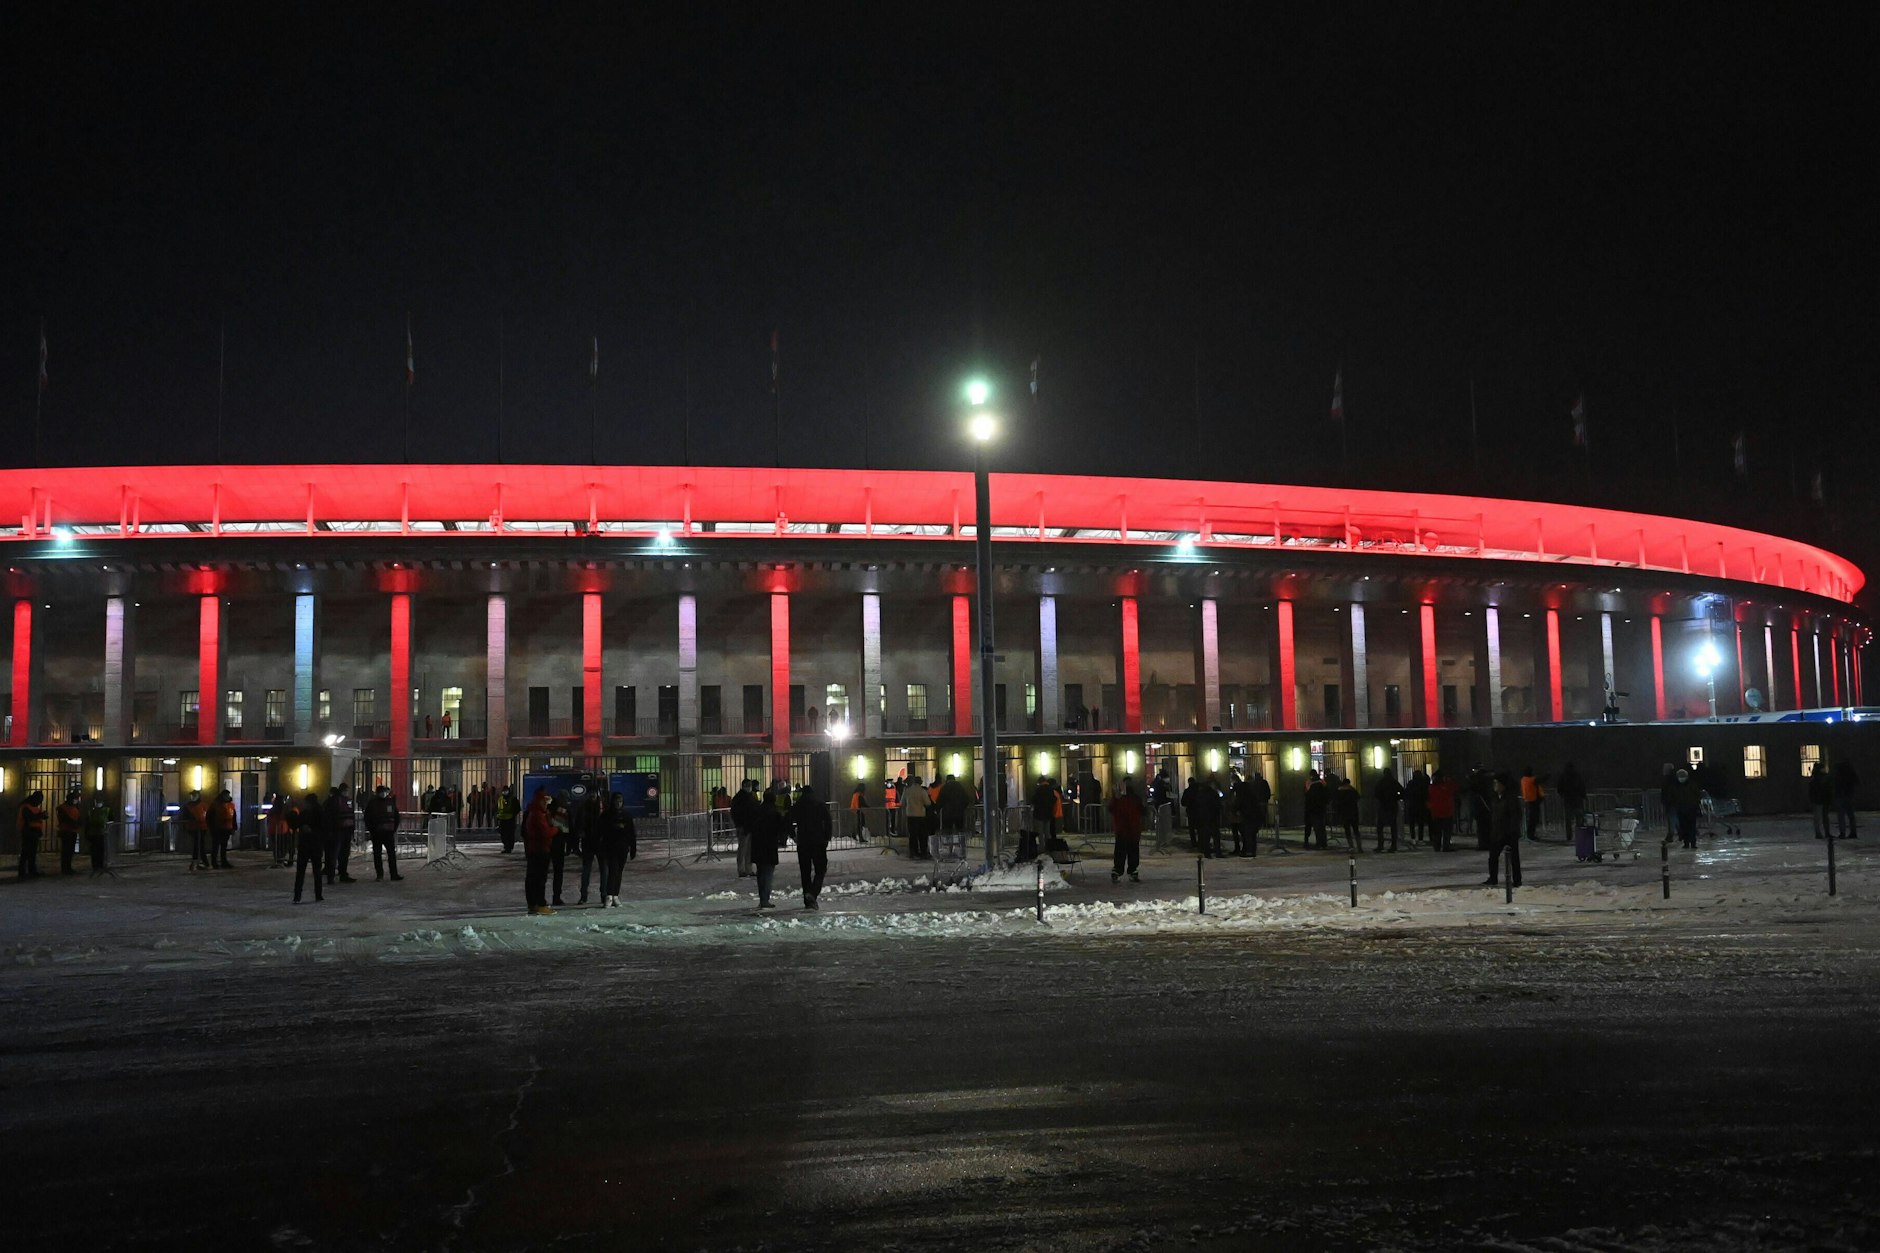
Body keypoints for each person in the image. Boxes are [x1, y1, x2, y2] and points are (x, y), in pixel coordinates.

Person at [790, 784, 831, 909]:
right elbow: (828, 821)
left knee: (805, 871)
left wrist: (793, 835)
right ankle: (813, 893)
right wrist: (827, 837)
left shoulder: (798, 805)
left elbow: (787, 820)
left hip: (803, 841)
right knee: (821, 869)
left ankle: (808, 901)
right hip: (818, 841)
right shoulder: (819, 804)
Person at [1483, 772, 1524, 888]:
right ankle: (1493, 878)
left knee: (1513, 858)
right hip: (1497, 832)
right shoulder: (1495, 798)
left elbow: (1515, 816)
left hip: (1509, 832)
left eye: (1497, 783)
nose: (1494, 785)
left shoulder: (1510, 798)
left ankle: (1517, 880)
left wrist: (1512, 830)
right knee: (1493, 857)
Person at [597, 791, 634, 908]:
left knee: (619, 872)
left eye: (620, 801)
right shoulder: (606, 815)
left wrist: (633, 847)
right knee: (613, 870)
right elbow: (600, 831)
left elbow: (631, 832)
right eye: (616, 800)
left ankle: (615, 895)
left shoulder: (626, 815)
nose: (618, 803)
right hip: (610, 847)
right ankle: (609, 895)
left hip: (622, 848)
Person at [522, 787, 555, 914]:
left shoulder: (536, 812)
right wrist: (556, 829)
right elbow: (545, 832)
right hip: (540, 850)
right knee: (539, 878)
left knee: (533, 877)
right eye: (545, 800)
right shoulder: (538, 814)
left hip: (535, 849)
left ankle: (533, 903)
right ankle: (539, 903)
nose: (547, 803)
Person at [749, 789, 782, 908]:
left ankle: (762, 898)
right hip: (770, 846)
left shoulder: (757, 811)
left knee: (760, 873)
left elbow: (751, 825)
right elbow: (780, 828)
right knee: (768, 874)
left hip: (758, 845)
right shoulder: (775, 812)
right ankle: (765, 899)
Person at [291, 790, 325, 903]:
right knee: (316, 871)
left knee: (302, 871)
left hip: (308, 844)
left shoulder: (310, 813)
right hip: (313, 844)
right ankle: (317, 895)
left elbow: (296, 824)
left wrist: (310, 830)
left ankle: (298, 895)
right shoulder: (317, 812)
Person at [1109, 779, 1145, 883]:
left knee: (1120, 852)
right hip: (1133, 831)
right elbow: (1143, 811)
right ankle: (1132, 871)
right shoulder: (1136, 799)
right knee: (1133, 852)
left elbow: (1111, 809)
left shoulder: (1118, 800)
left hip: (1121, 831)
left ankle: (1117, 871)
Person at [364, 784, 402, 881]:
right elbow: (367, 818)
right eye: (382, 792)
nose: (383, 793)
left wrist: (393, 829)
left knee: (391, 854)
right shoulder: (372, 803)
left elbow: (396, 816)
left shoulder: (390, 802)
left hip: (388, 833)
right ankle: (380, 875)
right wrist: (372, 830)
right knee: (377, 854)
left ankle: (394, 874)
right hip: (377, 833)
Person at [576, 786, 606, 904]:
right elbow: (578, 824)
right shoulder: (587, 807)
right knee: (587, 869)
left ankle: (603, 894)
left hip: (599, 842)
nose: (593, 796)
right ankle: (584, 895)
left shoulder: (601, 807)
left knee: (603, 869)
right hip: (589, 841)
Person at [323, 784, 356, 883]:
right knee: (334, 854)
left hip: (345, 831)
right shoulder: (334, 801)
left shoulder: (347, 801)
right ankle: (332, 876)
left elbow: (352, 816)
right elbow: (329, 817)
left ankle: (342, 874)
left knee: (343, 854)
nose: (347, 792)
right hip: (337, 831)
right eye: (346, 790)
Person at [1666, 767, 1702, 849]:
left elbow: (1697, 795)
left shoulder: (1689, 785)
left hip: (1690, 809)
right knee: (1684, 827)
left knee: (1691, 826)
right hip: (1682, 809)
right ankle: (1687, 842)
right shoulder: (1677, 786)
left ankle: (1692, 842)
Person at [1191, 772, 1224, 858]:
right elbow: (1217, 805)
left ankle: (1207, 853)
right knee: (1216, 836)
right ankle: (1218, 852)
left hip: (1204, 817)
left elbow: (1197, 805)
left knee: (1206, 836)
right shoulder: (1213, 794)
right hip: (1212, 817)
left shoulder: (1200, 794)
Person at [731, 778, 759, 876]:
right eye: (748, 785)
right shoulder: (739, 798)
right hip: (743, 826)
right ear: (743, 786)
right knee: (742, 849)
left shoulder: (750, 796)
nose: (749, 787)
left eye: (750, 785)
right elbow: (735, 813)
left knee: (749, 849)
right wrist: (739, 825)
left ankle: (748, 869)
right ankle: (741, 869)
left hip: (751, 826)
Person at [15, 789, 46, 878]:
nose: (40, 802)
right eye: (39, 800)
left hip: (35, 832)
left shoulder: (36, 808)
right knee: (25, 852)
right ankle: (22, 872)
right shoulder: (25, 807)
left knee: (32, 853)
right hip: (28, 832)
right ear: (35, 798)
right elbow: (30, 818)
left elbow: (38, 819)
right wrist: (41, 815)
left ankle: (32, 870)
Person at [548, 792, 572, 906]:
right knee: (558, 872)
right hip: (557, 845)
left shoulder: (548, 809)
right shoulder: (561, 811)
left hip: (547, 845)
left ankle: (541, 898)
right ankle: (556, 897)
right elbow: (562, 829)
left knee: (543, 873)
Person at [1372, 770, 1405, 853]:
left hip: (1383, 806)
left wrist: (1381, 799)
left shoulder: (1380, 782)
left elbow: (1376, 794)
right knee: (1393, 826)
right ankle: (1393, 845)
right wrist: (1396, 797)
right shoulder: (1394, 782)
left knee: (1380, 827)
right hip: (1392, 806)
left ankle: (1380, 845)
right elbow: (1402, 792)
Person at [1427, 768, 1458, 852]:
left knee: (1437, 831)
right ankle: (1446, 846)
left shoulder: (1431, 787)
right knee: (1447, 831)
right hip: (1447, 812)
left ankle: (1436, 846)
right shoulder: (1446, 786)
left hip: (1435, 812)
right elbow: (1454, 788)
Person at [55, 789, 85, 875]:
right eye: (75, 799)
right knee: (66, 851)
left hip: (73, 831)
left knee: (70, 851)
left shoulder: (75, 808)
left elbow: (79, 818)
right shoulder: (62, 808)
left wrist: (79, 823)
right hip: (66, 831)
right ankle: (65, 868)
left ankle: (68, 867)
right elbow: (64, 819)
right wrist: (75, 823)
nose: (76, 800)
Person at [180, 789, 210, 871]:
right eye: (192, 795)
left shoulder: (203, 805)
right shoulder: (188, 806)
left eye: (194, 795)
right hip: (193, 828)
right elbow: (184, 816)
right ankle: (200, 862)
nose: (192, 797)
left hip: (202, 828)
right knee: (198, 845)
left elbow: (207, 815)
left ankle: (198, 862)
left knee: (199, 845)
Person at [902, 773, 930, 858]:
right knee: (922, 835)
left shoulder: (908, 791)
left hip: (910, 815)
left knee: (912, 835)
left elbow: (902, 802)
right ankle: (923, 852)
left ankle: (913, 852)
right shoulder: (922, 791)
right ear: (920, 782)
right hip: (920, 815)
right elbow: (928, 803)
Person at [1557, 762, 1587, 838]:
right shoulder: (1577, 775)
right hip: (1577, 800)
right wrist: (1583, 796)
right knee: (1579, 819)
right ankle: (1579, 836)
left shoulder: (1563, 776)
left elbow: (1559, 788)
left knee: (1568, 820)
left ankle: (1569, 836)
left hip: (1568, 800)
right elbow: (1582, 786)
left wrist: (1563, 795)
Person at [208, 788, 236, 869]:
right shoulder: (215, 804)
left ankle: (224, 861)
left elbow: (233, 817)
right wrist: (212, 828)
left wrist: (233, 827)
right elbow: (209, 817)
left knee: (224, 846)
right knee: (216, 846)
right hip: (218, 828)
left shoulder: (231, 805)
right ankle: (214, 863)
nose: (227, 796)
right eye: (226, 795)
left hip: (227, 828)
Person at [936, 773, 970, 840]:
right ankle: (961, 845)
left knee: (947, 831)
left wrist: (937, 809)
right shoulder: (960, 787)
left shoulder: (945, 787)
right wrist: (962, 808)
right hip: (959, 812)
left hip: (947, 813)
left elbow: (940, 800)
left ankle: (949, 845)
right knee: (960, 829)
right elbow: (966, 799)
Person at [1832, 757, 1860, 839]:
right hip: (1849, 795)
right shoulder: (1851, 771)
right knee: (1851, 815)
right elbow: (1857, 782)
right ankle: (1853, 832)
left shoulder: (1838, 772)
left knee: (1841, 816)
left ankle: (1842, 833)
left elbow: (1835, 783)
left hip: (1840, 796)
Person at [1332, 774, 1361, 851]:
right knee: (1356, 830)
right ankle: (1359, 846)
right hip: (1354, 812)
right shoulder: (1353, 790)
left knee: (1347, 830)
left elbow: (1336, 801)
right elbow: (1358, 798)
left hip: (1344, 813)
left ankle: (1351, 846)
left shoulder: (1339, 791)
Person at [1404, 767, 1431, 848]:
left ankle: (1413, 838)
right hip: (1421, 806)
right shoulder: (1423, 784)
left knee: (1412, 824)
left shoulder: (1410, 783)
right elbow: (1426, 794)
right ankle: (1420, 839)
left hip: (1412, 805)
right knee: (1420, 824)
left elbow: (1406, 793)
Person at [1301, 770, 1329, 849]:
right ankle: (1323, 843)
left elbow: (1307, 796)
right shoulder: (1323, 784)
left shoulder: (1310, 785)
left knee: (1312, 827)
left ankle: (1313, 843)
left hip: (1312, 809)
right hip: (1321, 809)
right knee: (1321, 827)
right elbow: (1327, 796)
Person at [85, 796, 112, 876]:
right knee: (95, 851)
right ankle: (96, 866)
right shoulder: (92, 811)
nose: (98, 803)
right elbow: (88, 822)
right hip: (95, 834)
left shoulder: (106, 810)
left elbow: (111, 820)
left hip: (101, 833)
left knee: (100, 850)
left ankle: (98, 865)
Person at [1519, 766, 1545, 841]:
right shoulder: (1531, 779)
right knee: (1533, 819)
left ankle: (1530, 834)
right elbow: (1540, 780)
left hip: (1528, 800)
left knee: (1531, 819)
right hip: (1533, 801)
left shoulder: (1523, 779)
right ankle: (1531, 835)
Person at [1808, 760, 1833, 838]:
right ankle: (1825, 832)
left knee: (1818, 818)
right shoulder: (1823, 777)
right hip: (1822, 799)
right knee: (1823, 817)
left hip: (1818, 800)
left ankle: (1819, 833)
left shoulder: (1815, 779)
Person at [496, 785, 519, 853]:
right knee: (503, 834)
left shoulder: (513, 799)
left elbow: (517, 808)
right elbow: (498, 808)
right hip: (502, 819)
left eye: (505, 790)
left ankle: (509, 847)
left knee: (510, 834)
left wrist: (513, 815)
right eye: (503, 791)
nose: (504, 792)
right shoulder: (500, 799)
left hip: (510, 819)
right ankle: (506, 846)